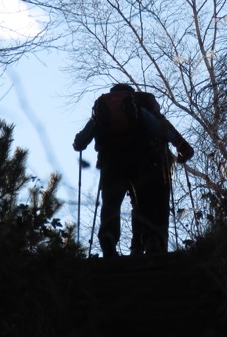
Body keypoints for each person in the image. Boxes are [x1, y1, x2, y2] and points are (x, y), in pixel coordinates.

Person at [73, 83, 194, 257]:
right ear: (131, 93)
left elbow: (80, 142)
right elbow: (161, 128)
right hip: (143, 160)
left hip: (111, 163)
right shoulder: (138, 105)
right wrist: (182, 147)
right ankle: (152, 240)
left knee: (111, 204)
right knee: (146, 203)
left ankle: (108, 237)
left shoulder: (102, 110)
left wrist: (79, 143)